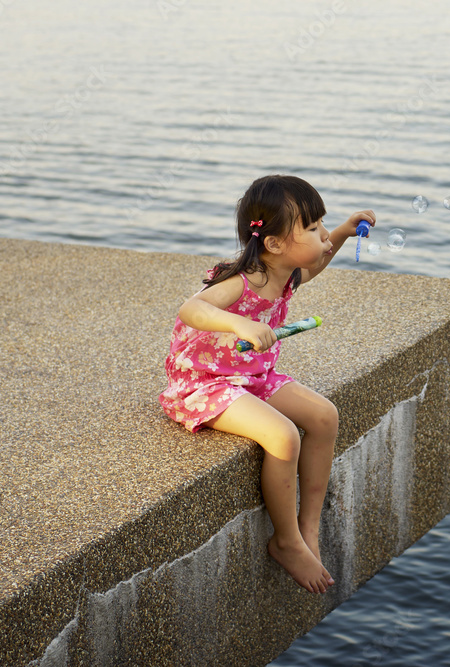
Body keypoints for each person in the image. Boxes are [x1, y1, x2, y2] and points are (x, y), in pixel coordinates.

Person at [159, 174, 375, 594]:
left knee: (324, 416)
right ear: (274, 243)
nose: (323, 235)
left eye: (322, 225)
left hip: (252, 374)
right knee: (284, 435)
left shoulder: (287, 271)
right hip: (205, 382)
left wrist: (346, 233)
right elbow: (192, 308)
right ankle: (286, 540)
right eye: (312, 228)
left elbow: (315, 266)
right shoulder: (244, 279)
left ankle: (307, 528)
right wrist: (239, 321)